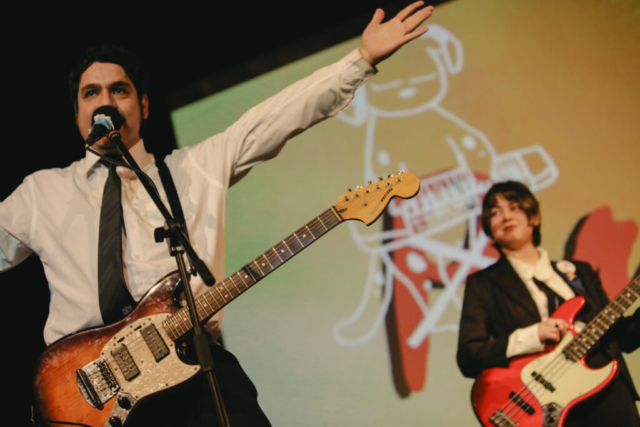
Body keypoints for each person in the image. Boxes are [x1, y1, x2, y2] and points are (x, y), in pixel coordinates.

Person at [0, 2, 435, 426]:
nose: (105, 100)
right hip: (84, 396)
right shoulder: (42, 192)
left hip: (193, 368)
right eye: (90, 93)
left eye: (119, 89)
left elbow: (272, 119)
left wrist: (359, 61)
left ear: (144, 105)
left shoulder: (192, 169)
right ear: (78, 113)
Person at [457, 180, 640, 426]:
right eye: (495, 212)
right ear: (489, 227)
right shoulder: (483, 283)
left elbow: (622, 336)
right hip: (539, 408)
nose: (506, 216)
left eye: (514, 207)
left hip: (607, 397)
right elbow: (469, 356)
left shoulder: (580, 272)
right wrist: (533, 335)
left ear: (534, 216)